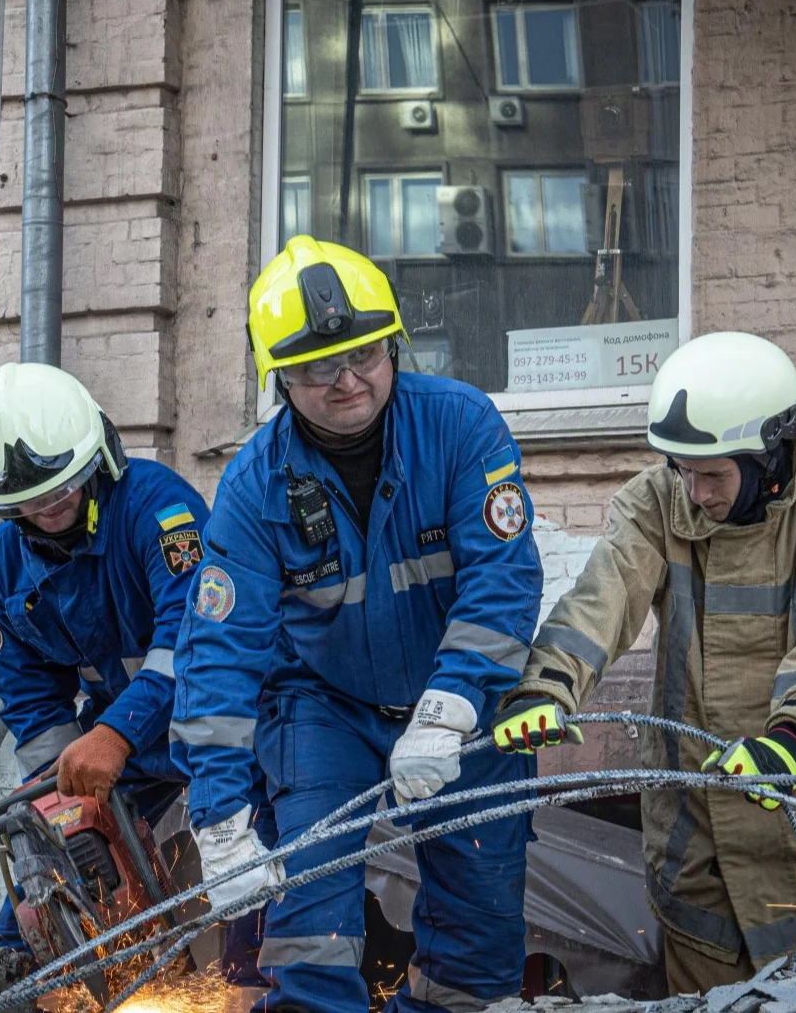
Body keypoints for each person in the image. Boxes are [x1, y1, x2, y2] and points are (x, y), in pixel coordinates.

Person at [171, 236, 542, 1013]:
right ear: (279, 379)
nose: (347, 381)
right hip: (323, 707)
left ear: (394, 343)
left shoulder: (462, 426)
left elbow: (502, 582)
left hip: (461, 706)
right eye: (316, 366)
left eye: (365, 355)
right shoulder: (253, 485)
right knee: (309, 925)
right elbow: (218, 655)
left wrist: (452, 706)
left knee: (478, 940)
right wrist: (221, 821)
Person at [492, 331, 796, 994]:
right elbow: (604, 596)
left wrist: (789, 739)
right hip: (695, 845)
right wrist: (547, 685)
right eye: (681, 468)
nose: (693, 490)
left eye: (712, 474)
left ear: (770, 458)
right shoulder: (656, 502)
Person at [0, 362, 264, 982]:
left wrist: (117, 733)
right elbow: (29, 692)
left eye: (62, 489)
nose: (50, 509)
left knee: (252, 872)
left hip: (229, 721)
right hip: (123, 742)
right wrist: (63, 794)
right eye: (29, 503)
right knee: (46, 876)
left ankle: (252, 986)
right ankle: (4, 984)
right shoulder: (1, 565)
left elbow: (195, 637)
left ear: (100, 454)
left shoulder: (159, 509)